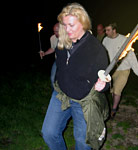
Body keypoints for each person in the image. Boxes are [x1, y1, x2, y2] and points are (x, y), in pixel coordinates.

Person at [41, 3, 110, 150]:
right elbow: (61, 66)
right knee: (48, 133)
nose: (67, 29)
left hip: (83, 101)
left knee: (82, 144)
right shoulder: (62, 43)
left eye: (71, 25)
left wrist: (104, 84)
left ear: (83, 23)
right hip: (61, 94)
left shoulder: (96, 49)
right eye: (64, 25)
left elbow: (106, 77)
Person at [102, 23, 138, 118]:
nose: (106, 32)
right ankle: (113, 104)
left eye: (108, 30)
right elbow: (102, 54)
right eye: (105, 30)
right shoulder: (105, 40)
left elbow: (131, 56)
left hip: (123, 69)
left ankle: (113, 109)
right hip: (111, 70)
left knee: (117, 91)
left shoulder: (124, 40)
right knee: (112, 91)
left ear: (114, 30)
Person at [39, 23, 59, 89]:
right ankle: (55, 94)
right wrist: (44, 53)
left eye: (57, 31)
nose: (55, 33)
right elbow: (53, 48)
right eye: (54, 31)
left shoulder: (68, 37)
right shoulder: (52, 38)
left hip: (68, 61)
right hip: (57, 60)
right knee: (52, 78)